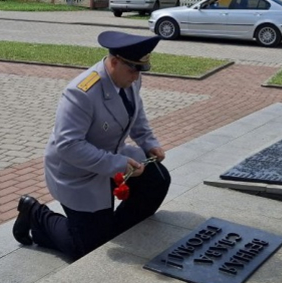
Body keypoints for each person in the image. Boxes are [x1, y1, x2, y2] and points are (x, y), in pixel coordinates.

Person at [12, 30, 170, 260]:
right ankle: (36, 214)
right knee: (86, 249)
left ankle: (105, 230)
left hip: (111, 157)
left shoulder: (130, 77)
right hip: (77, 170)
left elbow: (136, 114)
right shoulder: (81, 92)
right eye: (132, 70)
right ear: (114, 62)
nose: (137, 76)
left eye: (140, 70)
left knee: (158, 180)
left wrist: (149, 143)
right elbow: (68, 145)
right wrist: (117, 164)